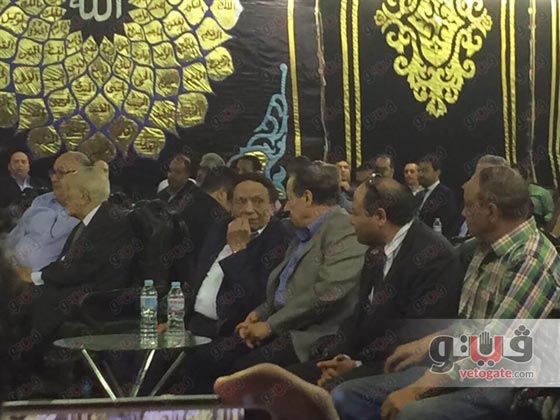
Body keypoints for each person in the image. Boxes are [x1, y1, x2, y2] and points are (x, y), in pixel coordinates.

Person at [331, 165, 560, 420]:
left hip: (506, 382)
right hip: (463, 367)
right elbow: (473, 328)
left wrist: (421, 387)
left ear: (491, 211)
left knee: (410, 412)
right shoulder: (483, 246)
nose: (462, 213)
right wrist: (429, 342)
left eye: (468, 205)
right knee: (347, 395)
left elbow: (497, 347)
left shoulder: (530, 260)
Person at [179, 161, 366, 393]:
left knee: (240, 371)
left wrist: (269, 325)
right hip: (275, 325)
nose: (286, 206)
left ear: (307, 198)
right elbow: (281, 289)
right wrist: (259, 314)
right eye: (240, 201)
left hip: (311, 334)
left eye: (290, 198)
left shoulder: (342, 229)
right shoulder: (302, 232)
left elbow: (327, 293)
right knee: (203, 361)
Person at [286, 176, 463, 388]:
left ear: (380, 216)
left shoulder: (434, 257)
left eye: (355, 213)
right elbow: (359, 318)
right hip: (361, 360)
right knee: (286, 380)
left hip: (401, 369)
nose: (351, 221)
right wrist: (341, 357)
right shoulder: (375, 251)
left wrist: (357, 366)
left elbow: (416, 337)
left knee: (324, 390)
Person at [14, 166, 137, 341]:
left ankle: (28, 355)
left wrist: (35, 276)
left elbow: (82, 268)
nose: (64, 197)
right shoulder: (88, 221)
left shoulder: (110, 221)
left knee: (24, 301)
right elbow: (67, 262)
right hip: (75, 289)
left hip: (95, 299)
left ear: (84, 197)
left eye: (69, 190)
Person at [185, 173, 293, 338]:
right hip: (194, 323)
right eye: (241, 202)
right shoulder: (220, 227)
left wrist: (238, 249)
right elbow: (197, 276)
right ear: (230, 205)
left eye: (258, 201)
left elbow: (252, 300)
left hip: (233, 332)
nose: (249, 210)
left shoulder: (280, 241)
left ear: (272, 207)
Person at [5, 152, 91, 271]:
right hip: (10, 272)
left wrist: (34, 277)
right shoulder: (41, 201)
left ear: (84, 176)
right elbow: (12, 239)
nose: (53, 179)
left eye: (61, 173)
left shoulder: (91, 212)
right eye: (53, 172)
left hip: (46, 279)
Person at [159, 153, 230, 256]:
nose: (172, 175)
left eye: (177, 172)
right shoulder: (163, 192)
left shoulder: (200, 201)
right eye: (170, 171)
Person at [417, 154, 460, 238]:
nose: (421, 174)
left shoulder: (446, 194)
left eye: (425, 170)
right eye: (419, 170)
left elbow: (448, 224)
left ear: (437, 172)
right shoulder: (418, 194)